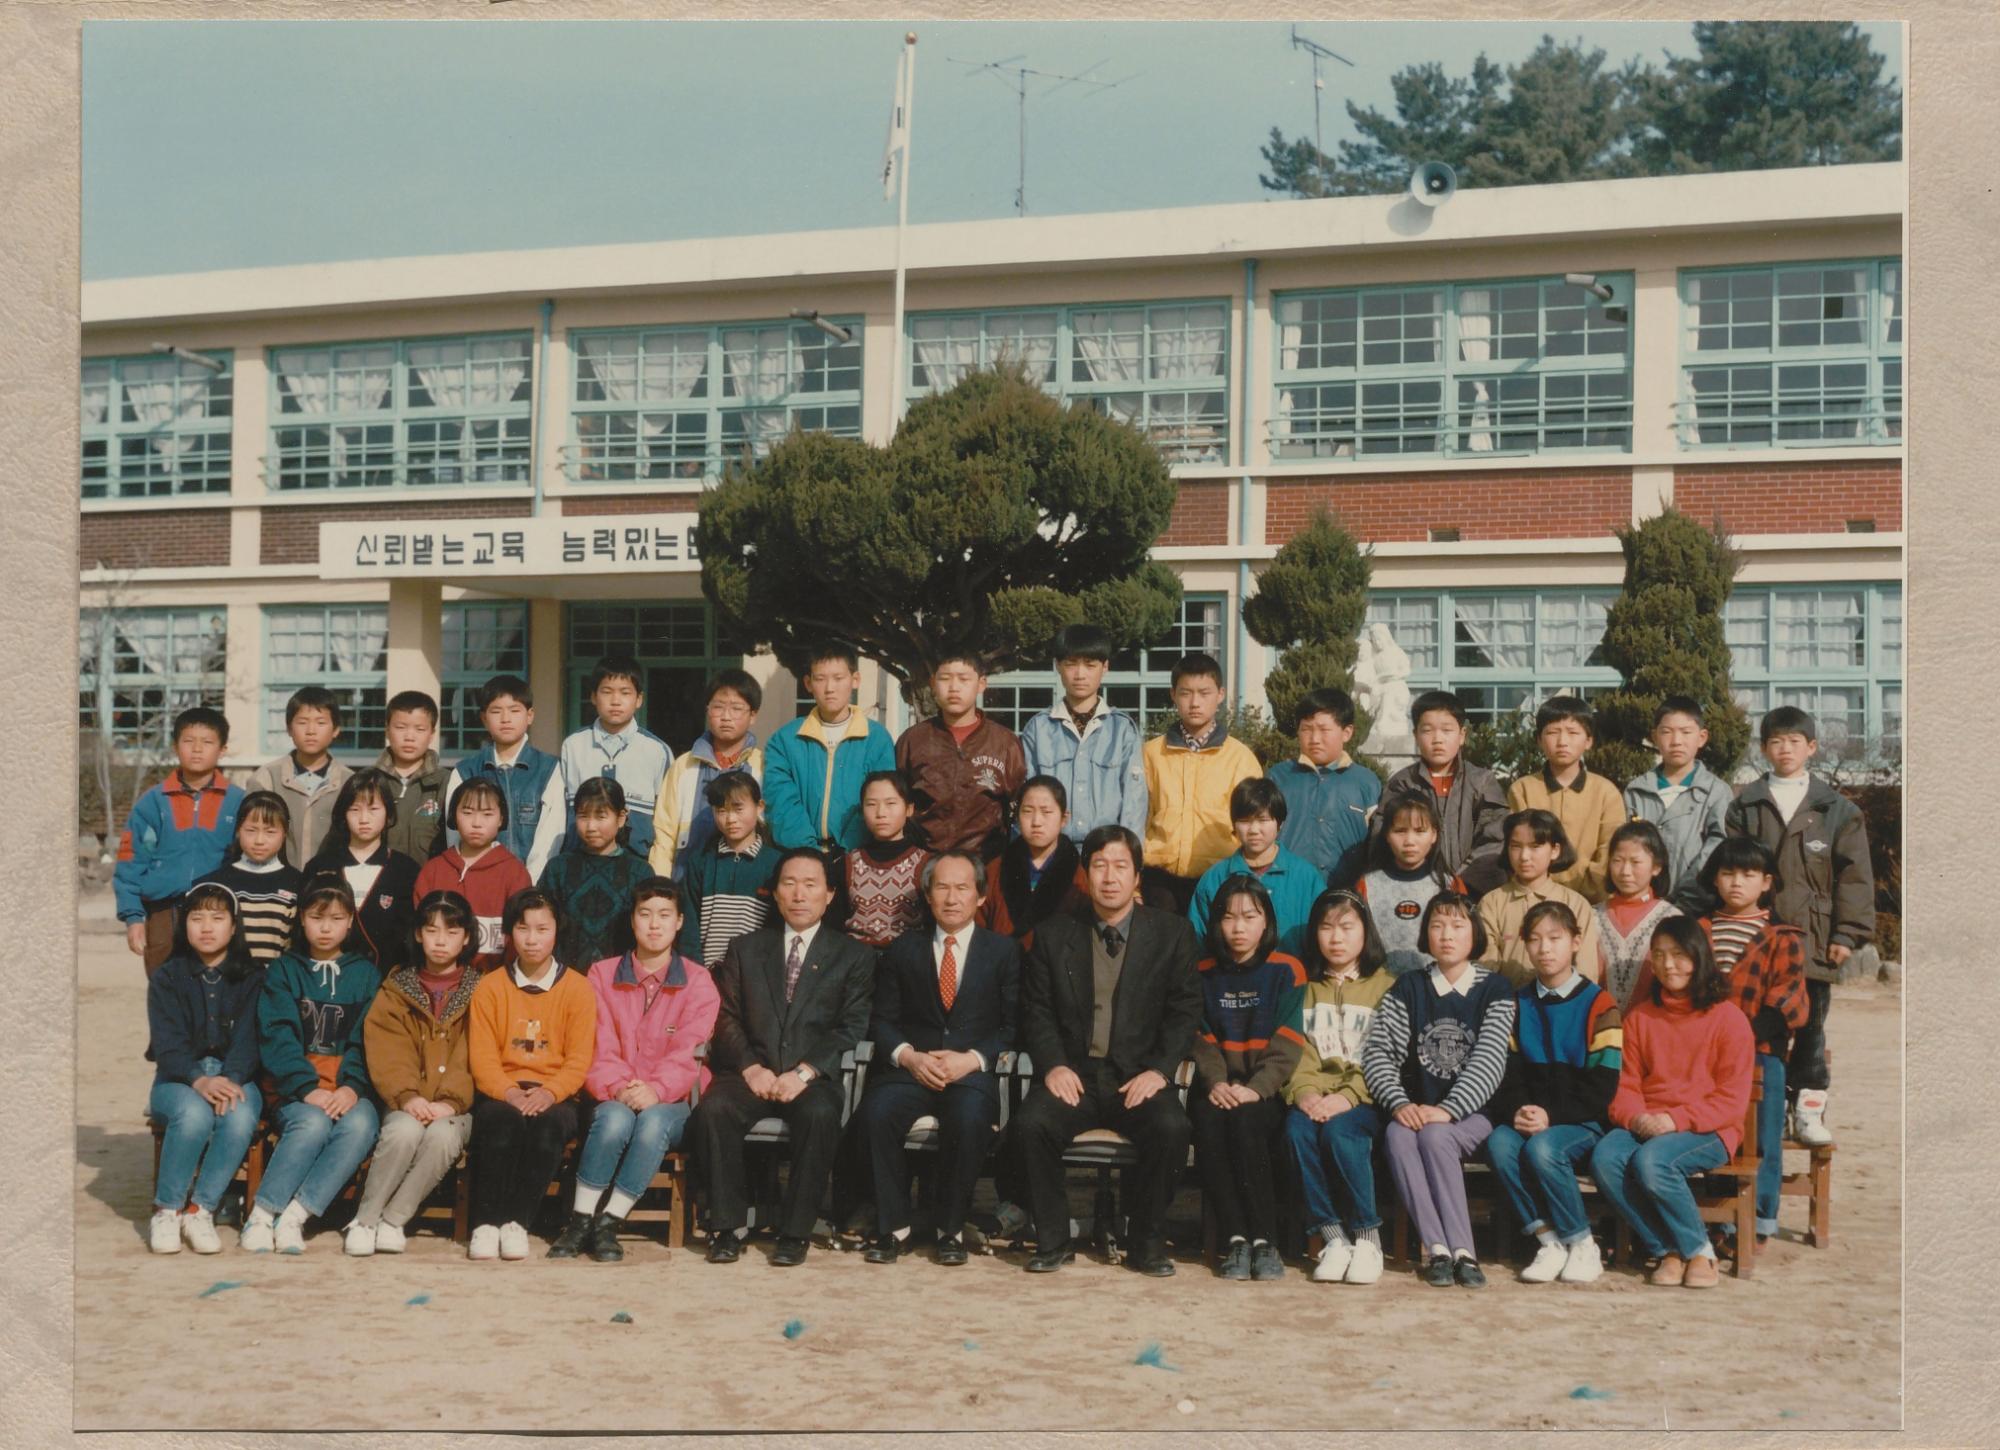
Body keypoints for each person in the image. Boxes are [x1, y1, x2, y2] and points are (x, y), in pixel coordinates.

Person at [1012, 824, 1202, 1277]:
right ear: (1086, 874)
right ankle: (1053, 1240)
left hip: (1137, 1076)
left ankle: (1146, 1242)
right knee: (1030, 1125)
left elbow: (1185, 1011)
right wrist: (1054, 1066)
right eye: (1099, 866)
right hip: (1076, 1076)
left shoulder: (1172, 933)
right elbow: (1036, 1011)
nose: (1110, 877)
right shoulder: (1055, 934)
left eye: (1120, 866)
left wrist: (1160, 1071)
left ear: (1137, 876)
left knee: (1171, 1128)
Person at [691, 847, 877, 1267]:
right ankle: (727, 1227)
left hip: (812, 1077)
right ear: (774, 893)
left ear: (830, 894)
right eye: (789, 884)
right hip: (751, 1070)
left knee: (820, 1116)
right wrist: (750, 1068)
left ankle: (795, 1232)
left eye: (810, 885)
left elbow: (851, 1026)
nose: (799, 894)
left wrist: (805, 1073)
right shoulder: (745, 948)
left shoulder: (854, 956)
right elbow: (726, 1016)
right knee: (714, 1110)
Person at [852, 850, 1020, 1265]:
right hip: (913, 1070)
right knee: (875, 1114)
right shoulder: (903, 949)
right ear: (927, 896)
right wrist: (909, 1057)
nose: (951, 897)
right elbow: (881, 1020)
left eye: (962, 887)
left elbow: (1015, 1025)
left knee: (968, 1118)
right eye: (941, 887)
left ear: (981, 896)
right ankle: (894, 1227)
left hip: (969, 1074)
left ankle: (950, 1230)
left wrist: (973, 1059)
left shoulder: (1003, 952)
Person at [1724, 705, 1873, 1147]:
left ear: (1811, 747)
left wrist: (1846, 934)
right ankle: (1764, 1107)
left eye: (1794, 741)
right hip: (1759, 935)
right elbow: (1734, 866)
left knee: (1810, 1026)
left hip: (1814, 936)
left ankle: (1808, 1108)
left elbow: (1854, 876)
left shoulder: (1837, 809)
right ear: (1763, 748)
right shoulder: (1746, 805)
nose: (1784, 749)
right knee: (1761, 1024)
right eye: (1776, 741)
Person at [551, 879, 720, 1263]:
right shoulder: (601, 974)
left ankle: (609, 1222)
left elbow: (690, 1050)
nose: (654, 925)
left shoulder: (697, 980)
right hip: (615, 1091)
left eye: (664, 915)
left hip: (673, 1099)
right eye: (645, 915)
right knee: (613, 1120)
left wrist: (657, 1089)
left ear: (679, 922)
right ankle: (580, 1220)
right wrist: (618, 1086)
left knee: (653, 1123)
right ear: (632, 920)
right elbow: (597, 1042)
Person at [1360, 891, 1516, 1288]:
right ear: (1425, 934)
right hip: (1417, 1110)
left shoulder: (1495, 989)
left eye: (1458, 925)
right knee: (1397, 1135)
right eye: (1437, 925)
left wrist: (1448, 1110)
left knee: (1435, 1136)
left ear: (1474, 933)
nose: (1447, 935)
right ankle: (1438, 1249)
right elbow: (1378, 1053)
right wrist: (1398, 1103)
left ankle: (1464, 1251)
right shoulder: (1409, 987)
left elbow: (1490, 1060)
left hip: (1473, 1114)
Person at [1589, 916, 1754, 1290]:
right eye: (1659, 955)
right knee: (1605, 1158)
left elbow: (1731, 1100)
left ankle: (1700, 1251)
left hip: (1708, 1128)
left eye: (1679, 954)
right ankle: (1669, 1250)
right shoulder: (1641, 1016)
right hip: (1649, 1122)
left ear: (1699, 957)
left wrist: (1674, 1120)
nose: (1668, 965)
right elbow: (1624, 1086)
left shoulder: (1728, 1019)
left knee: (1653, 1161)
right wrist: (1637, 1118)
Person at [1664, 837, 1808, 1244]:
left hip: (1761, 1055)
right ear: (1714, 879)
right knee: (1714, 1131)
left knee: (1762, 1137)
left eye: (1748, 874)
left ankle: (1759, 1220)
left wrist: (1745, 1034)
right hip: (1704, 1055)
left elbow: (1789, 998)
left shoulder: (1782, 935)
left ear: (1767, 882)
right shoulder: (1699, 930)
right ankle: (1720, 1218)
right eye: (1727, 873)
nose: (1737, 883)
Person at [1481, 902, 1624, 1285]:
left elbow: (1602, 1086)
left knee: (1544, 1149)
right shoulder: (1517, 1003)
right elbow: (1506, 1073)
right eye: (1535, 939)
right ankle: (1548, 1241)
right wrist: (1519, 1109)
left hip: (1582, 1122)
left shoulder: (1600, 1004)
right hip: (1532, 1116)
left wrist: (1551, 1117)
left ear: (1576, 942)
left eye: (1555, 938)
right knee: (1499, 1143)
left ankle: (1582, 1242)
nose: (1545, 948)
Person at [244, 877, 382, 1254]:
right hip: (296, 1091)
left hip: (347, 1090)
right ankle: (261, 1214)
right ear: (301, 919)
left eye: (336, 919)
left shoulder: (366, 975)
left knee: (362, 1124)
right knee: (313, 1123)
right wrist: (307, 1088)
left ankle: (295, 1216)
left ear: (350, 922)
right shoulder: (284, 970)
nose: (325, 928)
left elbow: (369, 1039)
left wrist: (352, 1086)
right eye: (316, 918)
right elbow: (277, 1036)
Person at [465, 887, 597, 1261]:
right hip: (502, 1091)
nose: (532, 939)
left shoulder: (578, 988)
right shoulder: (490, 986)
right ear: (510, 932)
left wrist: (550, 1092)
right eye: (523, 929)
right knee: (501, 1123)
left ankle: (517, 1223)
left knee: (548, 1128)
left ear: (557, 931)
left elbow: (579, 1059)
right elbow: (483, 1057)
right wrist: (508, 1092)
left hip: (556, 1094)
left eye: (542, 929)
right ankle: (486, 1224)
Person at [348, 890, 481, 1257]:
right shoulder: (396, 989)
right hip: (405, 1101)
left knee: (442, 1137)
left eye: (452, 932)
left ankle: (394, 1220)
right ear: (418, 934)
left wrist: (450, 1101)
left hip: (456, 1108)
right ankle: (365, 1220)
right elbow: (387, 1050)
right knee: (403, 1132)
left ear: (466, 937)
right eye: (432, 930)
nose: (440, 941)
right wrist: (407, 1096)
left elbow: (474, 1053)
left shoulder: (480, 990)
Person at [1188, 875, 1308, 1281]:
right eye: (1229, 917)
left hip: (1265, 1091)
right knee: (1208, 1122)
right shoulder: (1203, 972)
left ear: (1266, 922)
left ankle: (1265, 1240)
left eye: (1250, 917)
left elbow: (1288, 1041)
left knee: (1246, 1124)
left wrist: (1256, 1090)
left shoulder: (1287, 970)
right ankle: (1236, 1238)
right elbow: (1200, 1037)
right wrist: (1217, 1082)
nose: (1238, 927)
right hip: (1218, 1086)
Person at [1284, 889, 1396, 1286]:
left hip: (1366, 1097)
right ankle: (1332, 1237)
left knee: (1339, 1133)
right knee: (1296, 1130)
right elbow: (1297, 1049)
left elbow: (1385, 1055)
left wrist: (1347, 1097)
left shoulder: (1386, 987)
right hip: (1315, 1095)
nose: (1336, 938)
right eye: (1326, 928)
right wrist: (1305, 1092)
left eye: (1346, 927)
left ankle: (1367, 1237)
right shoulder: (1304, 988)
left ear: (1366, 932)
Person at [145, 882, 265, 1255]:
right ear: (184, 925)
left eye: (217, 918)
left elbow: (250, 1039)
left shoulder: (253, 976)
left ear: (234, 925)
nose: (207, 927)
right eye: (197, 918)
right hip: (179, 1078)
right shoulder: (167, 976)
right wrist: (198, 1080)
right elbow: (167, 1045)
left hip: (235, 1073)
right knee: (194, 1115)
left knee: (239, 1117)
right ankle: (167, 1209)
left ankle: (201, 1209)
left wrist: (230, 1079)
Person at [115, 705, 244, 975]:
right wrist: (133, 917)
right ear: (175, 746)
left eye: (207, 742)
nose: (197, 749)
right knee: (165, 988)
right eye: (188, 741)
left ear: (222, 750)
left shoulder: (237, 801)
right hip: (164, 912)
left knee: (216, 990)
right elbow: (132, 860)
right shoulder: (153, 802)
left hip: (217, 912)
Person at [1140, 651, 1262, 915]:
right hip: (1158, 880)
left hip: (1219, 877)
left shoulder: (1240, 758)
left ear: (1220, 694)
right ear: (1173, 695)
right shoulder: (1151, 754)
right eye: (1186, 693)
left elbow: (1252, 824)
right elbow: (1138, 817)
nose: (1195, 703)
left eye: (1204, 693)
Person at [1017, 623, 1147, 843]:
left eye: (1090, 665)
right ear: (1058, 666)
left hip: (1107, 849)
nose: (1080, 674)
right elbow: (1026, 797)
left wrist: (1127, 852)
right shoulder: (1038, 728)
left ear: (1105, 667)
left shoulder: (1122, 729)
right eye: (1071, 664)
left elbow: (1134, 801)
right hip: (1052, 849)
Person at [1371, 690, 1508, 898]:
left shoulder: (1481, 782)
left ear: (1462, 735)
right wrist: (1423, 882)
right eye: (1427, 731)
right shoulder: (1402, 783)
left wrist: (1458, 883)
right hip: (1413, 891)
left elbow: (1494, 841)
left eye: (1446, 730)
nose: (1437, 739)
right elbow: (1383, 837)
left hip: (1473, 893)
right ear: (1416, 736)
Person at [762, 643, 896, 852]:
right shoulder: (785, 740)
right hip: (798, 855)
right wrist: (808, 851)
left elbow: (879, 800)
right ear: (808, 683)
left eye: (838, 678)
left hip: (859, 854)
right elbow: (781, 803)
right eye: (820, 679)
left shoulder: (877, 739)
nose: (829, 688)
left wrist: (844, 851)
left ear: (855, 680)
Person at [894, 652, 1026, 861]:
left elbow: (1019, 806)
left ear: (981, 684)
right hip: (925, 862)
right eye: (945, 679)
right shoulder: (913, 740)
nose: (954, 687)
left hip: (986, 863)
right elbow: (898, 801)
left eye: (964, 679)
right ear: (933, 683)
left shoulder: (1004, 742)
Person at [444, 674, 565, 881]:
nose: (505, 719)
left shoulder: (550, 769)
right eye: (496, 711)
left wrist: (526, 885)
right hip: (477, 884)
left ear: (530, 715)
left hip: (531, 885)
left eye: (514, 710)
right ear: (484, 718)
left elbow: (550, 838)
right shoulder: (465, 771)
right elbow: (454, 835)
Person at [1504, 696, 1625, 903]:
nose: (1562, 742)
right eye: (1553, 732)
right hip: (1533, 899)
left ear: (1588, 740)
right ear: (1539, 739)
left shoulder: (1606, 792)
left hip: (1594, 900)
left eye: (1572, 732)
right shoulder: (1522, 789)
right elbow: (1517, 847)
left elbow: (1610, 849)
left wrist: (1588, 887)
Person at [1188, 777, 1324, 958]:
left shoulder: (1306, 877)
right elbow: (1197, 942)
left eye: (1263, 820)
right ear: (1234, 824)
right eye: (1245, 821)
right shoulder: (1214, 879)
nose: (1253, 830)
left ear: (1280, 823)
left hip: (1293, 973)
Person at [647, 669, 765, 880]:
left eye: (736, 708)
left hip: (746, 884)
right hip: (685, 882)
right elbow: (664, 834)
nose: (726, 717)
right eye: (718, 707)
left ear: (753, 715)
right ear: (707, 709)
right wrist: (661, 886)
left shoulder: (764, 766)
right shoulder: (684, 766)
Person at [1621, 696, 1733, 914]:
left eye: (1686, 732)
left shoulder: (1716, 792)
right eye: (1667, 732)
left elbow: (1717, 848)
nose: (1676, 741)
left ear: (1702, 737)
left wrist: (1685, 898)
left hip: (1698, 906)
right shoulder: (1636, 791)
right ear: (1654, 737)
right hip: (1642, 906)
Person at [303, 768, 421, 973]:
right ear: (343, 814)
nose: (364, 819)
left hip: (387, 981)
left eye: (373, 809)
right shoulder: (319, 866)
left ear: (388, 813)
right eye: (355, 809)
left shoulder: (406, 870)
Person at [413, 778, 535, 974]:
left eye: (487, 814)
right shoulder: (433, 870)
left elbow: (520, 936)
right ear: (454, 815)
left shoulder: (515, 873)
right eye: (467, 813)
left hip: (496, 981)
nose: (477, 823)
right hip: (440, 978)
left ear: (501, 819)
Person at [559, 654, 674, 860]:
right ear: (593, 697)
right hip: (580, 859)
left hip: (637, 861)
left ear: (639, 699)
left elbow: (667, 819)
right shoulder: (573, 746)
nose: (615, 701)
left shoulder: (657, 751)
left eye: (625, 692)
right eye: (607, 692)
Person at [1478, 809, 1608, 987]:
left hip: (1564, 1001)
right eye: (1516, 846)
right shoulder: (1491, 903)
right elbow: (1485, 968)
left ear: (1555, 850)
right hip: (1505, 1000)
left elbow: (1586, 971)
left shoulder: (1576, 904)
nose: (1524, 856)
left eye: (1535, 846)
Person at [538, 777, 654, 970]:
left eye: (601, 817)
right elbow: (541, 922)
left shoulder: (640, 871)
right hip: (566, 977)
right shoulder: (558, 868)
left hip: (620, 978)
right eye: (583, 816)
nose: (591, 827)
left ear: (621, 818)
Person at [1267, 687, 1380, 885]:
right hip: (1288, 887)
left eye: (1324, 730)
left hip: (1347, 891)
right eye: (1306, 729)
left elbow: (1379, 845)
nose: (1314, 739)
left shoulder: (1366, 782)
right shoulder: (1279, 777)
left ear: (1346, 733)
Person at [1353, 793, 1464, 977]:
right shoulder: (1367, 885)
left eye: (1420, 831)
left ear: (1434, 834)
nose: (1410, 841)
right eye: (1400, 831)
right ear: (1387, 835)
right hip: (1380, 986)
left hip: (1437, 984)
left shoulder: (1450, 885)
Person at [678, 773, 780, 969]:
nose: (731, 819)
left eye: (738, 809)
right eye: (722, 811)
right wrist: (695, 973)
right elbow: (689, 927)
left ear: (759, 807)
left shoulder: (775, 864)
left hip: (755, 974)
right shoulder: (701, 862)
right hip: (706, 973)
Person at [248, 685, 354, 867]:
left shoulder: (350, 782)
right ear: (289, 729)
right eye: (302, 722)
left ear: (336, 730)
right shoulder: (266, 778)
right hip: (276, 878)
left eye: (321, 723)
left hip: (331, 879)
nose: (311, 730)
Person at [194, 790, 301, 965]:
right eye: (251, 830)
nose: (259, 840)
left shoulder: (299, 884)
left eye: (270, 832)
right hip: (228, 980)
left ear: (284, 833)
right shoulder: (213, 884)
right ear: (238, 830)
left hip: (278, 980)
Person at [977, 775, 1085, 947]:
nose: (1036, 822)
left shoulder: (1080, 877)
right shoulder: (995, 870)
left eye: (1046, 812)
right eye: (1027, 811)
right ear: (1017, 816)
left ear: (1064, 818)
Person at [836, 770, 931, 950]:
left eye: (891, 803)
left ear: (909, 809)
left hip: (908, 957)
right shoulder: (847, 864)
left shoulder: (927, 864)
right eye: (871, 804)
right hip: (856, 958)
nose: (880, 813)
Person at [1596, 821, 1682, 1008]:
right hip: (1597, 1021)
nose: (1625, 871)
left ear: (1656, 867)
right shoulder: (1592, 916)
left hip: (1652, 1021)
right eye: (1617, 861)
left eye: (1635, 862)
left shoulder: (1672, 919)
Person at [376, 689, 451, 862]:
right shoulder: (369, 781)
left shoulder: (446, 783)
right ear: (387, 730)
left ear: (432, 734)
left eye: (420, 729)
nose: (409, 737)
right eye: (400, 727)